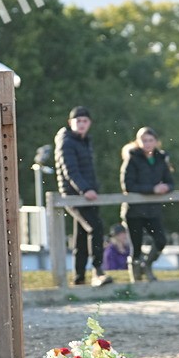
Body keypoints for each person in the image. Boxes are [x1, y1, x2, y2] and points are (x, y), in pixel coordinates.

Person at [55, 106, 112, 287]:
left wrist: (91, 188)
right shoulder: (67, 142)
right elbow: (70, 171)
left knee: (81, 236)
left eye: (84, 121)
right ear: (70, 122)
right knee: (95, 227)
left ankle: (79, 278)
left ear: (90, 123)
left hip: (85, 195)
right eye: (77, 121)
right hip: (75, 196)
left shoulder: (84, 140)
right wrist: (85, 189)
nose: (81, 124)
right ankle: (98, 271)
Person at [121, 126, 174, 282]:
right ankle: (135, 280)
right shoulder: (132, 158)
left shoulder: (161, 159)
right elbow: (128, 185)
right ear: (138, 142)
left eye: (150, 140)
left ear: (156, 142)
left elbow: (170, 182)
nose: (147, 143)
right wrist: (152, 189)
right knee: (136, 247)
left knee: (160, 240)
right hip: (134, 210)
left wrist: (166, 187)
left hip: (153, 210)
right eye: (144, 140)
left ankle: (147, 265)